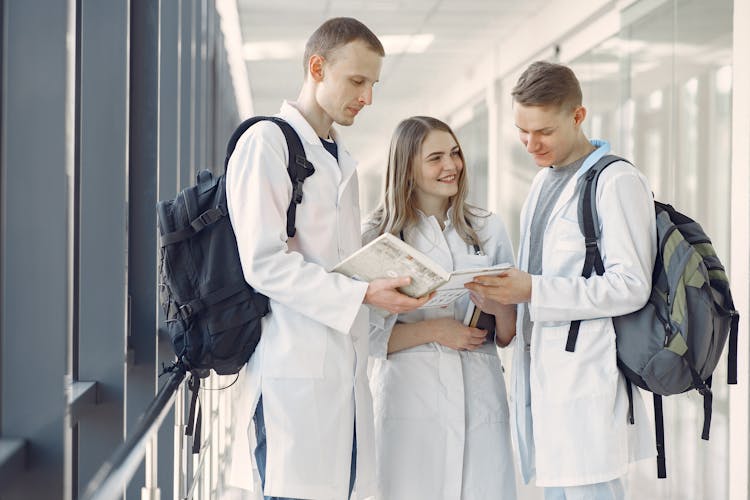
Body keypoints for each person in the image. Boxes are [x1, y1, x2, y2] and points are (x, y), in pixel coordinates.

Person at [225, 18, 431, 500]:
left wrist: (384, 279)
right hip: (289, 372)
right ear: (317, 67)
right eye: (357, 81)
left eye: (373, 84)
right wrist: (361, 291)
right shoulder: (267, 144)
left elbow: (334, 259)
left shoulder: (339, 156)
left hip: (345, 374)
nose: (367, 97)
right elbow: (263, 263)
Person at [465, 60, 657, 499]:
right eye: (522, 130)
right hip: (545, 373)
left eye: (544, 132)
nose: (531, 144)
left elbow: (631, 285)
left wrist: (532, 289)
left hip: (586, 375)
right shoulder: (542, 182)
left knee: (591, 486)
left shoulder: (616, 181)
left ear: (578, 116)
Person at [363, 116, 518, 500]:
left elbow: (509, 332)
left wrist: (498, 307)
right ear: (408, 168)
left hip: (478, 393)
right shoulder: (377, 235)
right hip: (409, 397)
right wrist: (435, 331)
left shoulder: (487, 228)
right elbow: (366, 336)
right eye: (435, 158)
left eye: (454, 154)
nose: (451, 166)